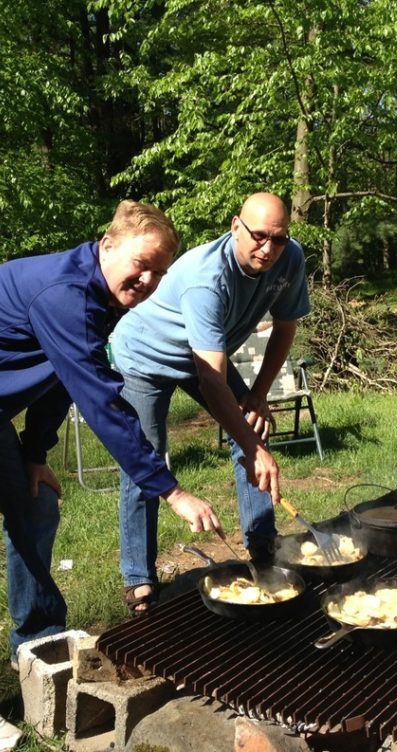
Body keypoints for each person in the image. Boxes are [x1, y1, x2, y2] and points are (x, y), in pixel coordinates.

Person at [0, 200, 220, 752]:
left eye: (160, 271)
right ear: (107, 245)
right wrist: (168, 488)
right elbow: (102, 401)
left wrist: (34, 455)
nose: (148, 280)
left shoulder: (98, 297)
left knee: (37, 505)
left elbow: (58, 379)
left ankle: (36, 642)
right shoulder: (63, 293)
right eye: (141, 264)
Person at [109, 191, 310, 614]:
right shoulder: (208, 278)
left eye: (278, 238)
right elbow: (210, 378)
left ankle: (262, 544)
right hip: (147, 355)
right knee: (145, 455)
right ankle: (138, 578)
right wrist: (252, 446)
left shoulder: (289, 257)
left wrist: (257, 396)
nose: (268, 248)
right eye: (259, 236)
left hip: (205, 355)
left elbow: (285, 328)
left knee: (252, 429)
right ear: (236, 226)